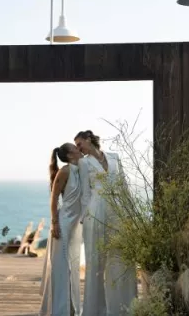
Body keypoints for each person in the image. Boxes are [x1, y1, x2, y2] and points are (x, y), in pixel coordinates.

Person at [75, 130, 137, 316]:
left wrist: (131, 212)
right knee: (96, 261)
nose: (78, 148)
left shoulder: (114, 157)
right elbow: (85, 193)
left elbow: (124, 185)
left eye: (79, 144)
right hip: (96, 211)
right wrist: (86, 217)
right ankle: (96, 311)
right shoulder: (83, 163)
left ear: (89, 139)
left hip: (119, 209)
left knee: (122, 258)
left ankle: (124, 307)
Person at [39, 143, 83, 316]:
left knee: (72, 268)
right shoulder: (64, 171)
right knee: (61, 269)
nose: (79, 150)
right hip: (63, 225)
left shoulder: (81, 169)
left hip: (75, 227)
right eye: (75, 148)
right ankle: (58, 310)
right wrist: (55, 223)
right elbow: (54, 197)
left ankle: (71, 309)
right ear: (70, 154)